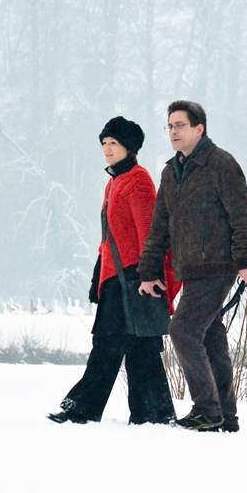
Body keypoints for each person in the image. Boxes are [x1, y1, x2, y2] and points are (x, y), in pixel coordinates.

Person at [48, 117, 180, 425]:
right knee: (138, 347)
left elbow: (150, 233)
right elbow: (108, 240)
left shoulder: (138, 179)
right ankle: (153, 414)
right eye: (104, 144)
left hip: (134, 280)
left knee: (110, 345)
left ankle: (82, 409)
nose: (106, 150)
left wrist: (147, 276)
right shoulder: (114, 183)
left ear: (129, 147)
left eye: (113, 143)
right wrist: (98, 277)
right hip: (115, 279)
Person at [137, 100, 247, 432]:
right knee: (210, 337)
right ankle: (225, 417)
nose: (173, 132)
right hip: (190, 269)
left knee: (183, 330)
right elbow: (159, 227)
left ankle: (207, 409)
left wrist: (246, 260)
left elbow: (242, 217)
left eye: (180, 125)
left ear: (199, 129)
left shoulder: (221, 164)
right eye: (170, 126)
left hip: (218, 265)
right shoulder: (170, 171)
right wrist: (148, 271)